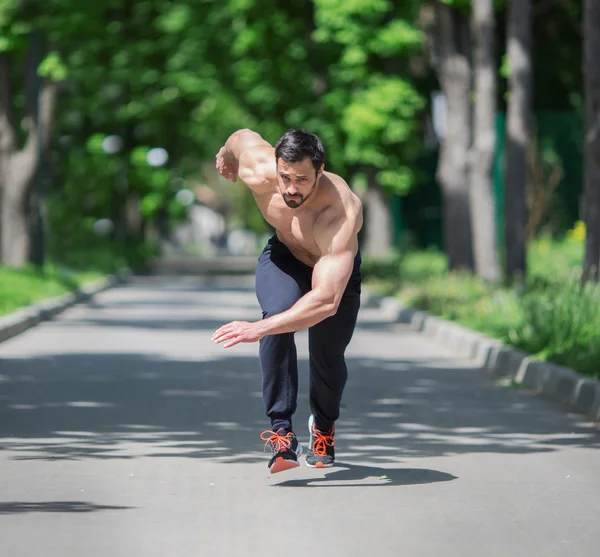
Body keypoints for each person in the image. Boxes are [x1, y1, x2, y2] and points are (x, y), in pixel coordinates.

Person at [211, 128, 363, 474]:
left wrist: (257, 329)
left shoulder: (339, 212)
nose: (291, 189)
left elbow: (325, 301)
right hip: (284, 256)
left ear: (320, 172)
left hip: (332, 273)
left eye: (302, 180)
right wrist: (225, 153)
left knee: (328, 356)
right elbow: (240, 137)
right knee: (279, 315)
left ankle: (323, 428)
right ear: (275, 165)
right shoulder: (259, 169)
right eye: (285, 177)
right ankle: (282, 433)